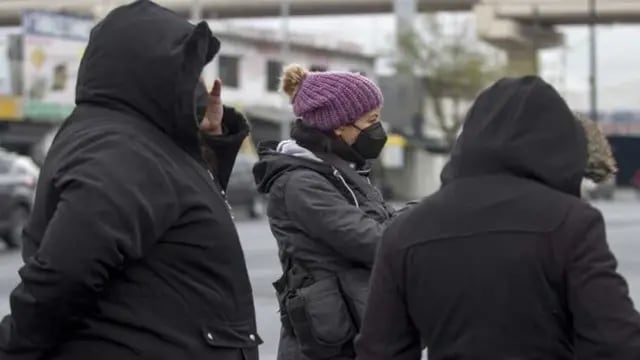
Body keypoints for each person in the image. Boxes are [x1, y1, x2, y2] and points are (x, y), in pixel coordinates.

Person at [0, 1, 260, 359]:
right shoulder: (120, 148)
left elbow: (175, 220)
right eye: (187, 70)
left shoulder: (143, 141)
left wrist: (208, 144)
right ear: (147, 69)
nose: (198, 85)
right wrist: (13, 347)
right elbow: (65, 275)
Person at [355, 76, 640, 360]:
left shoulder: (405, 231)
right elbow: (615, 342)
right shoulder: (571, 222)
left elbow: (380, 350)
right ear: (563, 147)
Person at [253, 64, 408, 360]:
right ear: (340, 126)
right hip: (328, 344)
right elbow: (371, 241)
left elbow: (386, 222)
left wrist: (434, 209)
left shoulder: (343, 173)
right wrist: (428, 222)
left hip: (355, 328)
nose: (379, 129)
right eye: (371, 120)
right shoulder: (301, 183)